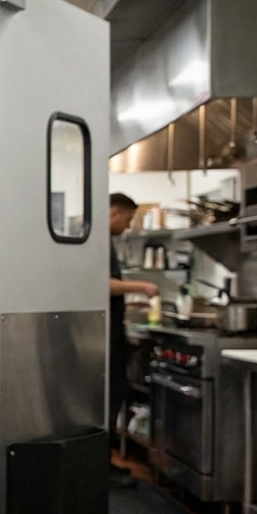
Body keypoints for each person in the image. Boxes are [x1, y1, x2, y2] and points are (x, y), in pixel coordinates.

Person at [108, 193, 158, 483]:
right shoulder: (97, 243)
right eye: (127, 220)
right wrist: (143, 287)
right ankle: (102, 468)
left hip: (113, 333)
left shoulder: (104, 242)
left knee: (114, 398)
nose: (128, 227)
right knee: (109, 399)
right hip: (107, 338)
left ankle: (105, 462)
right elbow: (102, 284)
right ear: (114, 212)